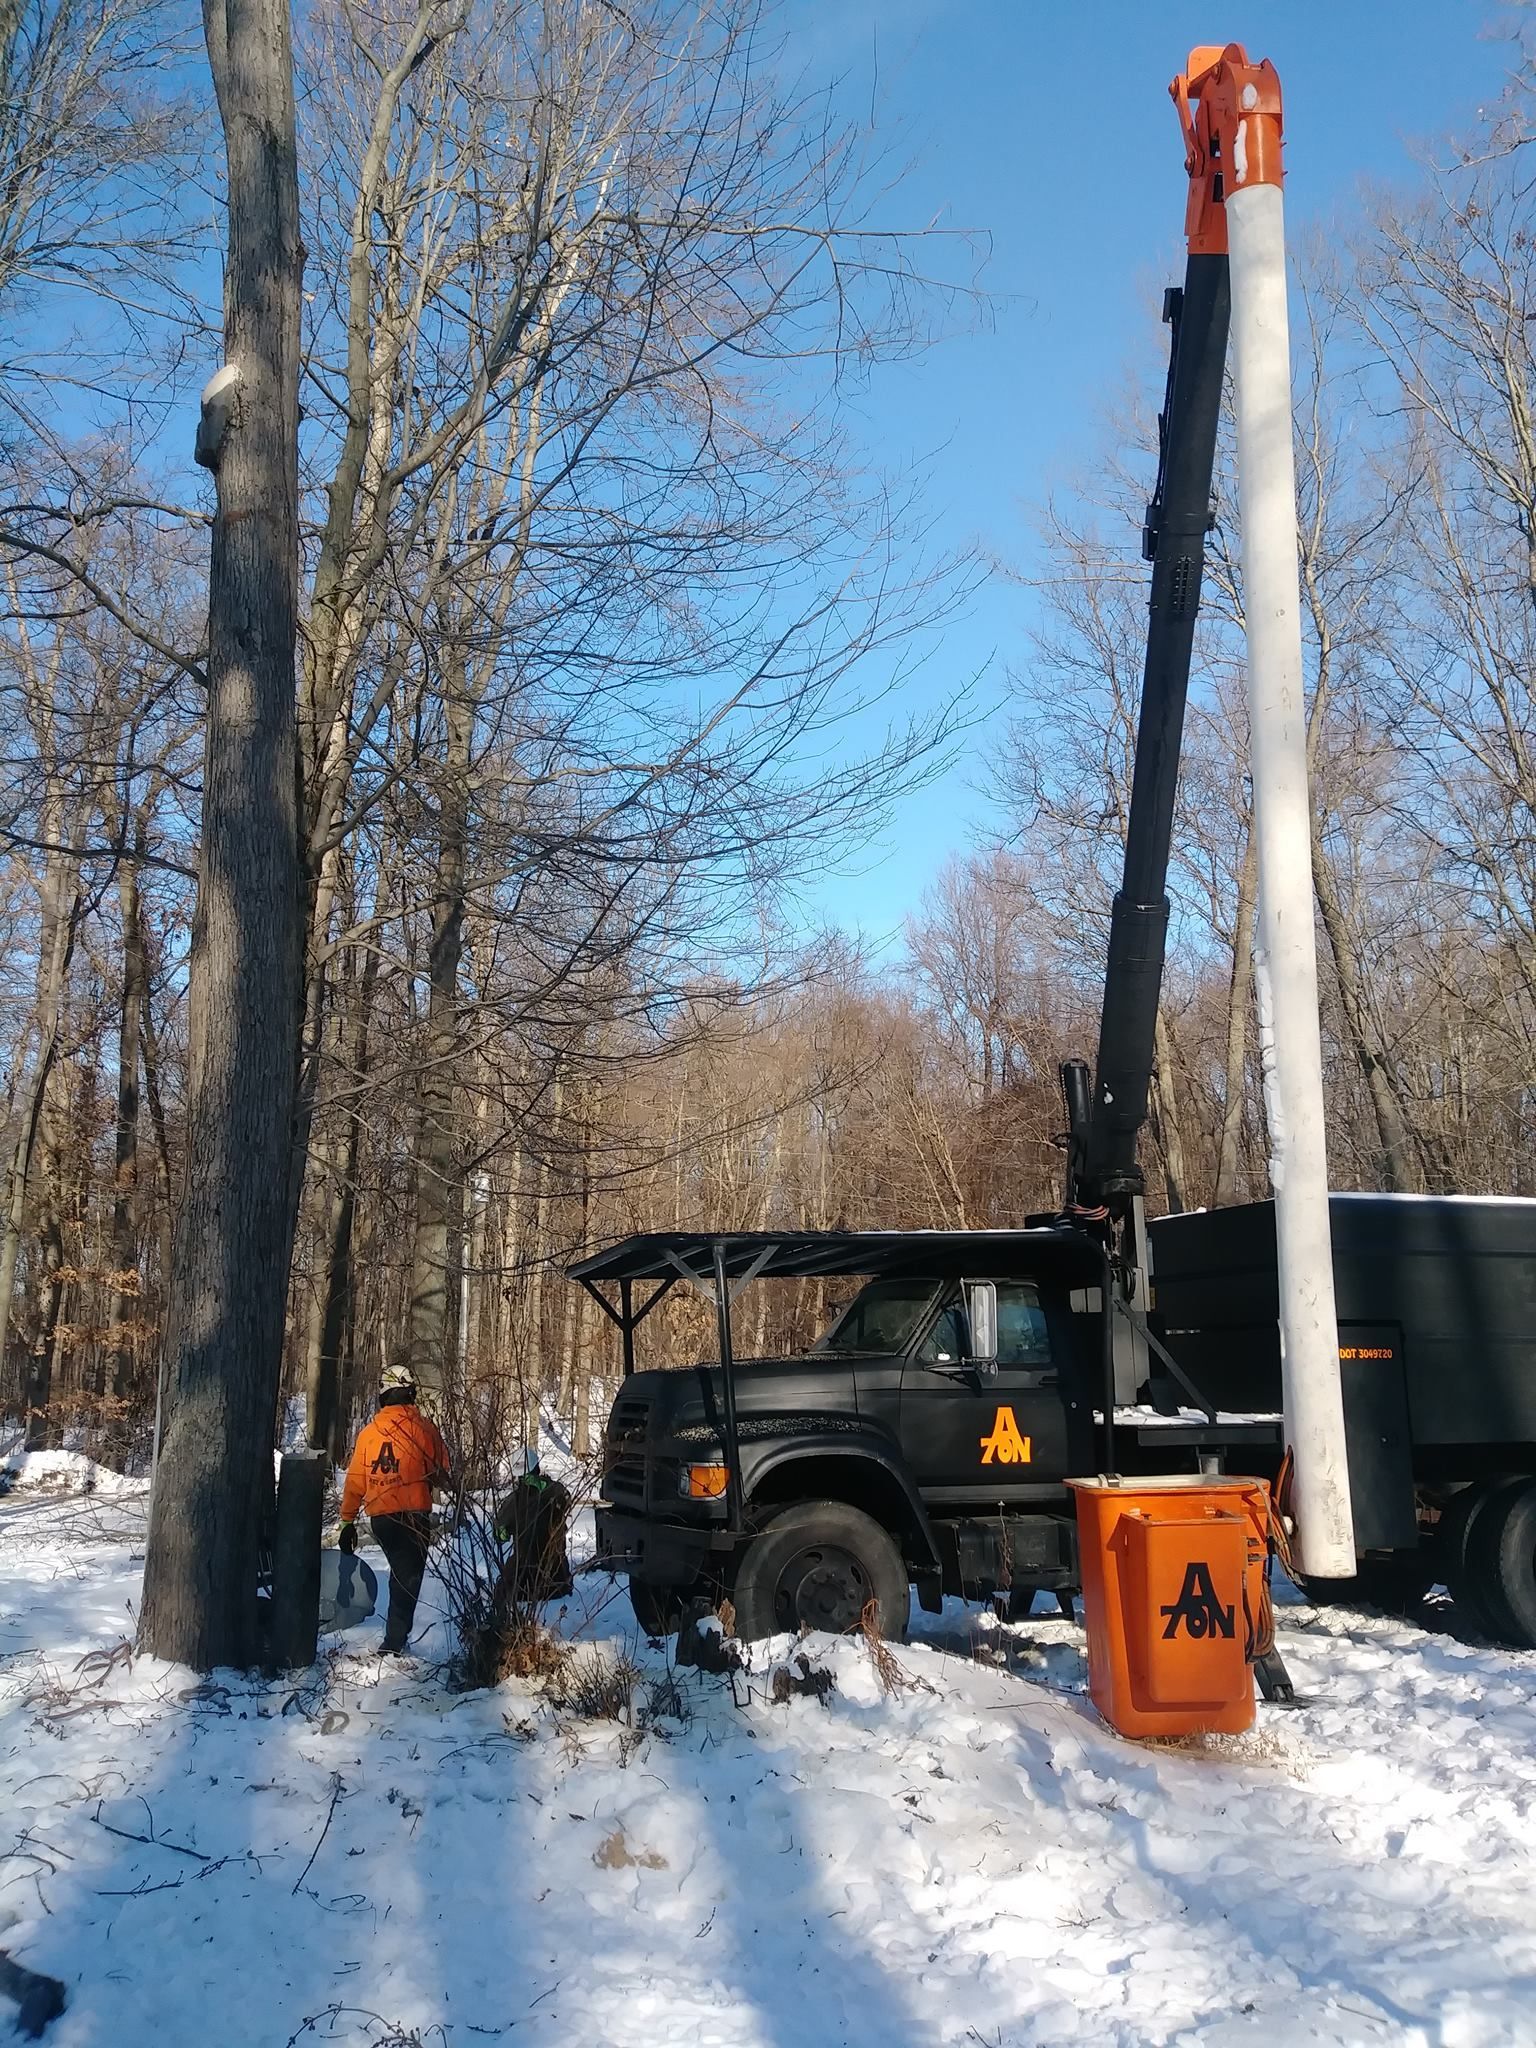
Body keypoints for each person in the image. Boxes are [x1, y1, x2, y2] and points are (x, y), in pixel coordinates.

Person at [338, 1365, 451, 1655]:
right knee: (406, 1578)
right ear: (411, 1393)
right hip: (414, 1516)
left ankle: (396, 1638)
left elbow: (355, 1482)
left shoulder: (368, 1433)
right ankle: (394, 1642)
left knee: (402, 1574)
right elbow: (443, 1472)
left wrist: (347, 1522)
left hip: (381, 1518)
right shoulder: (425, 1429)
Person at [494, 1449, 573, 1608]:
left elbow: (500, 1535)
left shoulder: (516, 1501)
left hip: (537, 1583)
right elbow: (567, 1503)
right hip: (551, 1582)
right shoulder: (556, 1491)